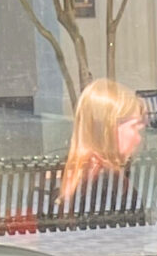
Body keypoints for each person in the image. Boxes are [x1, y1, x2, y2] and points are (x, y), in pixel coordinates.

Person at [59, 78, 147, 211]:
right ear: (108, 128)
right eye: (134, 127)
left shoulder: (69, 172)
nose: (138, 139)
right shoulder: (108, 182)